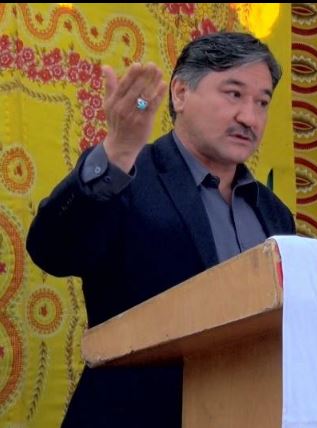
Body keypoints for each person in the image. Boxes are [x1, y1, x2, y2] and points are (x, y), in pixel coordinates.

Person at [26, 32, 296, 427]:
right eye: (234, 94)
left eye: (262, 102)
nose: (249, 118)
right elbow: (52, 250)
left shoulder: (275, 215)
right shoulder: (127, 177)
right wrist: (117, 152)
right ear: (181, 93)